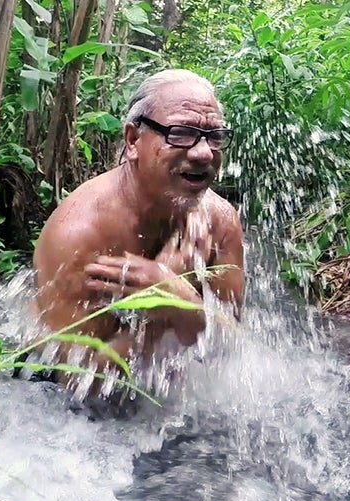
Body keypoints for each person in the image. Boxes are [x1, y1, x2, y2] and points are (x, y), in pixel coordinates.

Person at [32, 69, 244, 379]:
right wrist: (169, 304)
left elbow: (234, 352)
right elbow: (82, 386)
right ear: (133, 140)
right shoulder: (80, 236)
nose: (203, 152)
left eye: (214, 136)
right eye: (180, 132)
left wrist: (177, 297)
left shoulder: (220, 222)